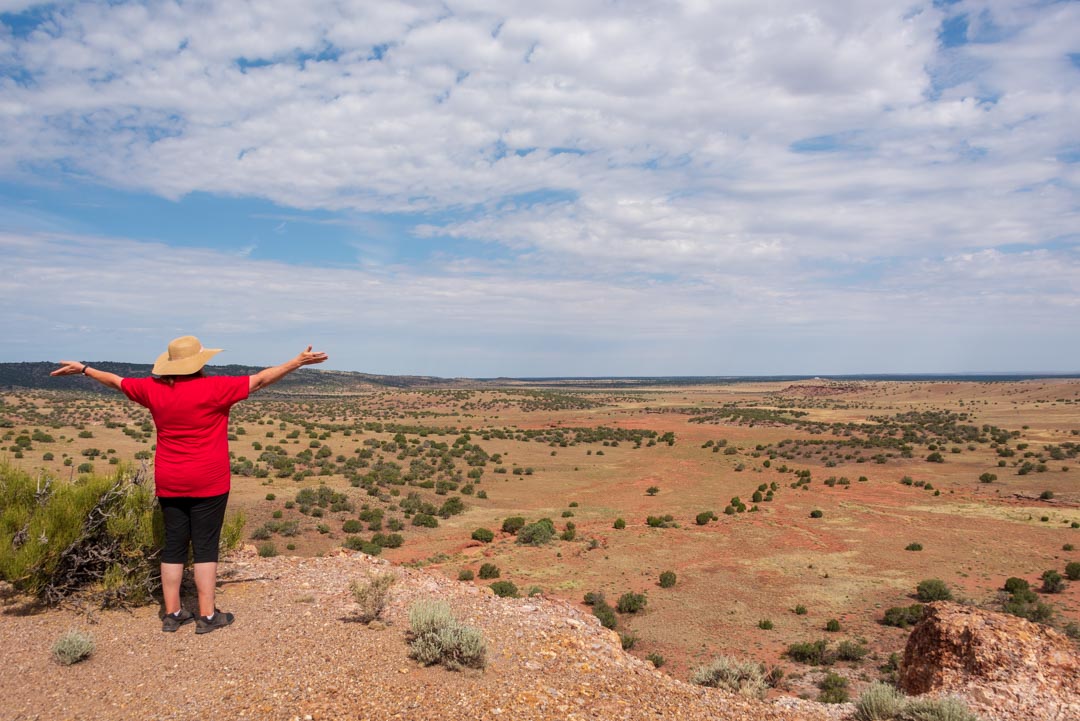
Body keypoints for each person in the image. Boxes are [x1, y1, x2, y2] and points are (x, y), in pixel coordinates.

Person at [51, 336, 328, 633]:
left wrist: (84, 369)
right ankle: (207, 616)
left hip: (170, 479)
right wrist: (296, 362)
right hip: (210, 480)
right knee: (205, 547)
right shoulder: (215, 388)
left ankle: (172, 613)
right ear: (199, 362)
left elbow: (116, 382)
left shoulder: (151, 389)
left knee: (173, 546)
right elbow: (260, 380)